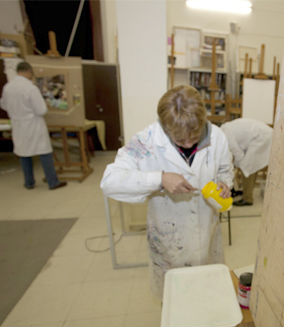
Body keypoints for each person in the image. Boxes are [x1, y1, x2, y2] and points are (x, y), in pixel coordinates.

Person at [100, 85, 234, 300]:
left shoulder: (217, 136)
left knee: (207, 297)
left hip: (207, 231)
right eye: (181, 141)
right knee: (175, 301)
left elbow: (226, 170)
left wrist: (224, 183)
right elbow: (110, 181)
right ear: (165, 128)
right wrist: (159, 179)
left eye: (195, 137)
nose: (189, 144)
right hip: (168, 239)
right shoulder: (146, 141)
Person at [0, 61, 66, 190]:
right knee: (45, 153)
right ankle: (53, 182)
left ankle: (29, 182)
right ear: (29, 72)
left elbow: (3, 105)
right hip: (33, 124)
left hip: (18, 125)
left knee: (24, 154)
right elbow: (41, 110)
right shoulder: (31, 88)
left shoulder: (8, 87)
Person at [220, 118, 273, 206]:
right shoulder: (226, 129)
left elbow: (238, 154)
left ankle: (247, 198)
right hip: (262, 136)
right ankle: (246, 193)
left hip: (262, 137)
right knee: (251, 167)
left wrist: (235, 166)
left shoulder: (225, 134)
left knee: (247, 167)